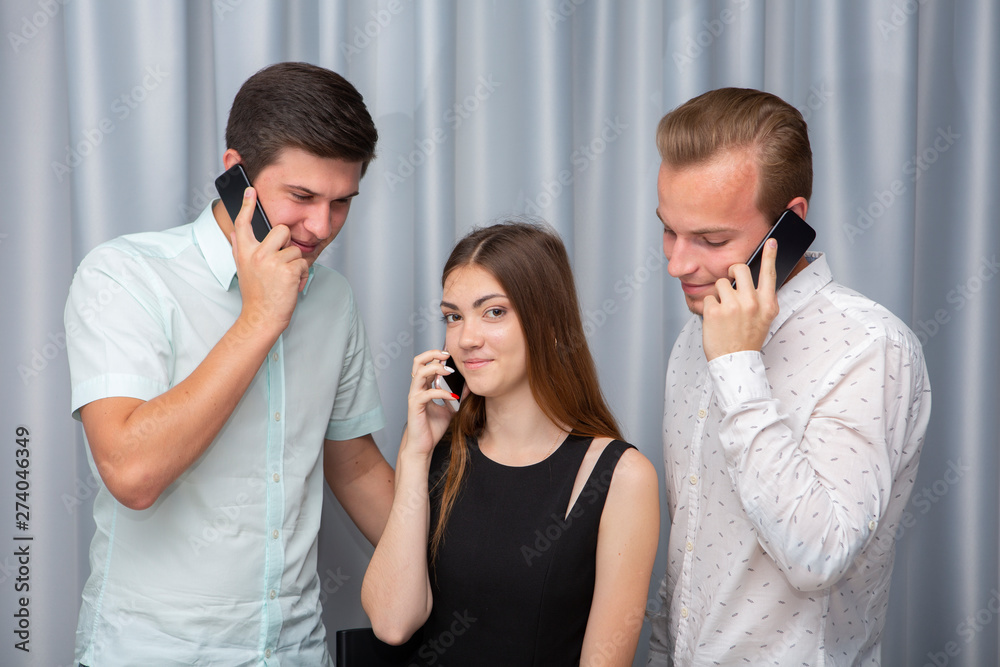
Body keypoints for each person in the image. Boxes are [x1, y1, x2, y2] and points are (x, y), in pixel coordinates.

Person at [64, 62, 394, 666]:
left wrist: (475, 567)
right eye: (302, 197)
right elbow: (132, 472)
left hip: (297, 651)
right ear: (236, 174)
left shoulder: (334, 299)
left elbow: (353, 465)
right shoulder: (124, 275)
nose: (321, 227)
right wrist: (261, 317)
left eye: (341, 202)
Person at [646, 87, 932, 666]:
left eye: (710, 239)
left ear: (789, 223)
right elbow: (691, 552)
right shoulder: (693, 336)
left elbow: (818, 557)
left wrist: (735, 366)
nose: (677, 264)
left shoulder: (872, 348)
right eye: (668, 231)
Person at [361, 221, 660, 666]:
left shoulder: (622, 477)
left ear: (552, 324)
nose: (466, 338)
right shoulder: (436, 450)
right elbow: (392, 623)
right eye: (453, 316)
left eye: (494, 312)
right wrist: (414, 456)